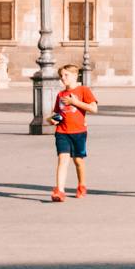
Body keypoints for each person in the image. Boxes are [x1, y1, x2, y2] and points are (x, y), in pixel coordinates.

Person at [49, 63, 97, 202]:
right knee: (62, 160)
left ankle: (82, 185)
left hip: (79, 132)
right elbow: (58, 114)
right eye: (61, 76)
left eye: (66, 75)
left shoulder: (83, 90)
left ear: (75, 75)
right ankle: (60, 191)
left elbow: (94, 109)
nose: (63, 78)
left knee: (78, 161)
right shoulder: (60, 94)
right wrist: (53, 120)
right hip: (62, 132)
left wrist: (74, 102)